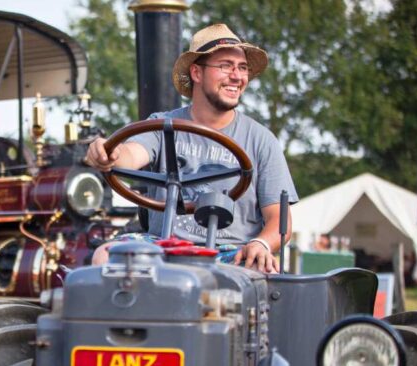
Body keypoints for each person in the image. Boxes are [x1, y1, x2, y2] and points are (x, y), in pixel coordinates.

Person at [85, 24, 298, 272]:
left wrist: (260, 243)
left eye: (242, 68)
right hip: (161, 248)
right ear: (196, 73)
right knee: (105, 255)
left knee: (263, 270)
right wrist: (109, 153)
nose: (237, 76)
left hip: (232, 252)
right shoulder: (163, 125)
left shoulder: (261, 140)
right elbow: (130, 154)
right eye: (226, 66)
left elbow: (279, 220)